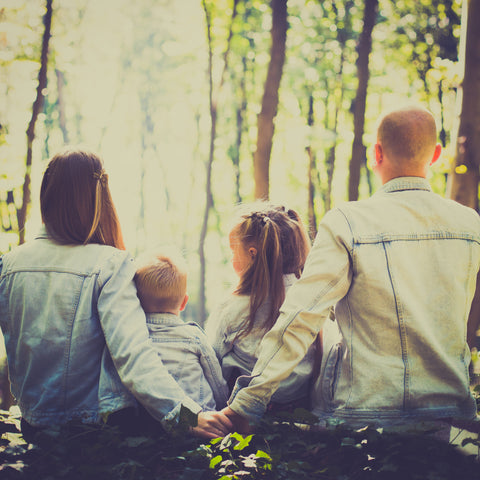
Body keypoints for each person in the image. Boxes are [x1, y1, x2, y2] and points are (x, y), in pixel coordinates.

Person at [218, 106, 480, 433]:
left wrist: (248, 402)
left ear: (377, 153)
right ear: (437, 154)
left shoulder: (349, 223)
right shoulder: (470, 225)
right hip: (452, 412)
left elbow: (301, 317)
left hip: (364, 416)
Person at [0, 149, 232, 440]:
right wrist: (185, 416)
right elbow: (133, 355)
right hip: (92, 432)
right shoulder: (109, 264)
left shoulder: (8, 265)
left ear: (46, 195)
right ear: (99, 198)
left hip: (34, 426)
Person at [205, 203, 317, 409]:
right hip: (300, 408)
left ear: (252, 254)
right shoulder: (312, 302)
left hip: (243, 413)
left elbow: (211, 364)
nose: (231, 258)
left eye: (233, 251)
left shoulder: (232, 308)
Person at [134, 250, 228, 411]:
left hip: (153, 423)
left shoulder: (132, 339)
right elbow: (216, 382)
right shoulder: (194, 337)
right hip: (201, 418)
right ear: (184, 302)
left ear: (135, 300)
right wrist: (223, 408)